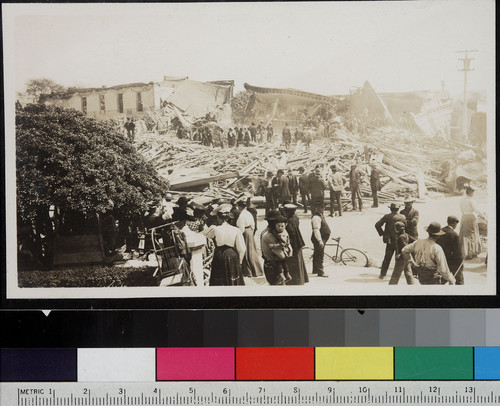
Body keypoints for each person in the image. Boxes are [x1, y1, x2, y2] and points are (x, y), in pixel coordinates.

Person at [206, 204, 246, 286]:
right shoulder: (236, 230)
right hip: (232, 255)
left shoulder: (215, 229)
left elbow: (205, 235)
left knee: (219, 280)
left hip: (219, 255)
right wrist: (240, 262)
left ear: (219, 218)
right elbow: (242, 249)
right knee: (233, 279)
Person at [375, 202, 406, 279]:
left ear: (390, 209)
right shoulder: (403, 217)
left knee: (387, 258)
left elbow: (377, 225)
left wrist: (382, 233)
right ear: (398, 209)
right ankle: (397, 275)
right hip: (400, 241)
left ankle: (382, 274)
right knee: (399, 258)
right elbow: (406, 227)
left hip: (390, 241)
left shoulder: (387, 217)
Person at [260, 210, 292, 285]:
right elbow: (281, 255)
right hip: (274, 266)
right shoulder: (270, 235)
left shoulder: (265, 232)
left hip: (269, 264)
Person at [235, 198, 264, 278]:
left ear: (240, 207)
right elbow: (253, 224)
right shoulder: (248, 213)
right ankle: (257, 271)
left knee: (245, 252)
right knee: (252, 251)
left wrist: (239, 235)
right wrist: (251, 232)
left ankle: (249, 272)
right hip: (250, 232)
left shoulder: (241, 215)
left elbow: (241, 228)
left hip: (244, 233)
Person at [283, 203, 309, 285]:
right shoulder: (295, 217)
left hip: (294, 242)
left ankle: (296, 281)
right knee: (300, 260)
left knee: (294, 262)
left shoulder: (288, 220)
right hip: (299, 241)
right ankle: (302, 278)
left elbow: (291, 232)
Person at [437, 216, 464, 285]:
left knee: (442, 280)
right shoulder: (454, 234)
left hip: (441, 260)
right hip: (453, 261)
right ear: (454, 223)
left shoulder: (440, 231)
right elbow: (457, 252)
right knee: (459, 280)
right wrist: (461, 263)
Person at [459, 186, 484, 259]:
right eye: (473, 192)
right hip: (470, 218)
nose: (474, 193)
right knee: (472, 235)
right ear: (470, 192)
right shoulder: (471, 200)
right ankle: (472, 252)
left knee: (465, 235)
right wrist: (483, 216)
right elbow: (476, 209)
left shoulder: (462, 200)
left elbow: (462, 211)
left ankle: (465, 252)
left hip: (464, 217)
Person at [311, 201, 331, 277]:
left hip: (321, 238)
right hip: (319, 238)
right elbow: (316, 230)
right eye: (321, 207)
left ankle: (315, 270)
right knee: (320, 255)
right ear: (316, 208)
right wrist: (320, 240)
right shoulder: (316, 217)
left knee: (316, 254)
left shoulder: (320, 215)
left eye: (323, 207)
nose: (323, 208)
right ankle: (320, 271)